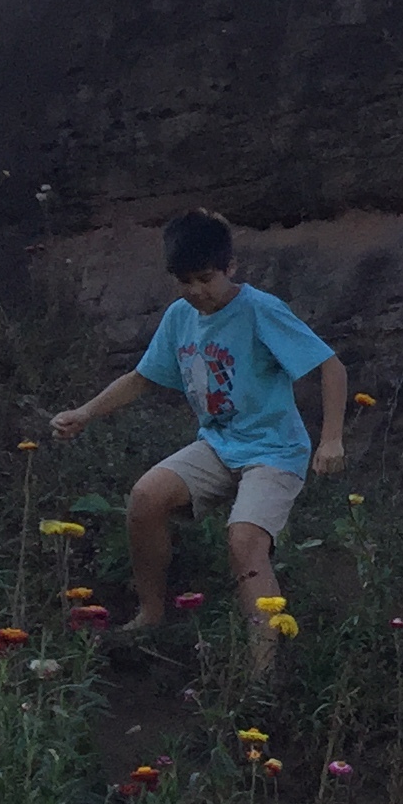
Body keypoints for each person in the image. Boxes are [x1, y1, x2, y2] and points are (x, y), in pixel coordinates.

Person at [50, 208, 346, 646]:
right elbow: (141, 378)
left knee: (244, 540)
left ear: (231, 267)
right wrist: (87, 412)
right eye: (185, 281)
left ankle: (262, 672)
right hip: (218, 444)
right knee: (145, 498)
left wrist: (332, 439)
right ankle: (151, 616)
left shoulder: (261, 310)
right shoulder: (179, 316)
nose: (197, 292)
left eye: (206, 279)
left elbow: (331, 367)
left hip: (274, 451)